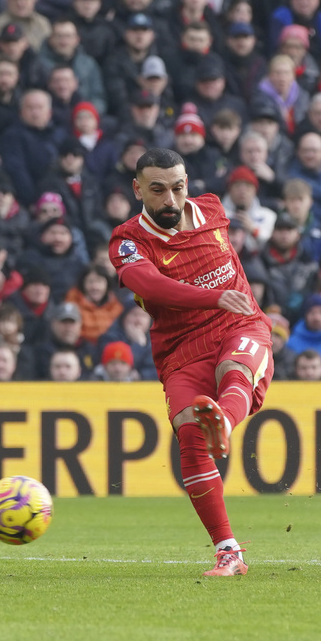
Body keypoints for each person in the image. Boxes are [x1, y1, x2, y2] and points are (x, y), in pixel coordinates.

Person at [108, 148, 275, 577]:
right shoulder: (127, 241)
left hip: (239, 325)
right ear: (138, 190)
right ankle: (229, 552)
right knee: (188, 431)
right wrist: (212, 295)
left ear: (188, 184)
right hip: (180, 347)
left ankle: (225, 421)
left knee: (234, 371)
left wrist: (223, 302)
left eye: (178, 188)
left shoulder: (214, 209)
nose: (170, 200)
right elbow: (152, 285)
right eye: (158, 190)